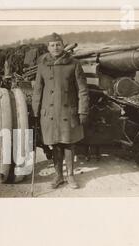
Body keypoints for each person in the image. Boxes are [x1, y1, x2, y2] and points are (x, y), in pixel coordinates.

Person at [32, 33, 89, 189]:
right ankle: (59, 176)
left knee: (69, 143)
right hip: (49, 113)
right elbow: (38, 89)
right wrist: (35, 111)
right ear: (48, 47)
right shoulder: (43, 65)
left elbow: (83, 90)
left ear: (63, 46)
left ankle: (70, 176)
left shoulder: (74, 64)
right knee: (55, 144)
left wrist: (83, 111)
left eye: (58, 44)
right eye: (52, 45)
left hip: (67, 111)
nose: (55, 48)